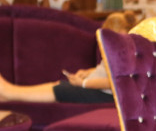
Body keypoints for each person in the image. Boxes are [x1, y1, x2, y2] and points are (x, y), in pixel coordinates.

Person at [0, 11, 138, 104]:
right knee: (59, 84)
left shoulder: (127, 52)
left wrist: (83, 83)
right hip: (98, 89)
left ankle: (9, 92)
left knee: (60, 90)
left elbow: (115, 82)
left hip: (106, 95)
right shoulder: (120, 48)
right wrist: (88, 72)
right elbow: (108, 70)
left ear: (122, 33)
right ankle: (9, 94)